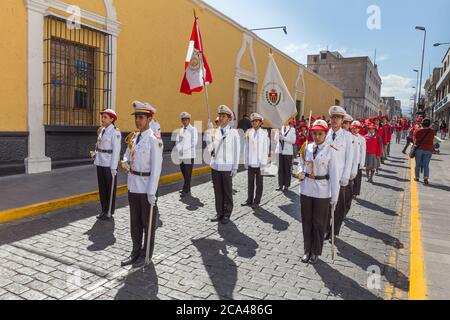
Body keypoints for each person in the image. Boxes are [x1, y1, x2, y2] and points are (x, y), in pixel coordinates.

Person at [120, 101, 163, 267]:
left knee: (147, 223)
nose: (138, 120)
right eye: (136, 117)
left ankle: (146, 254)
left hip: (146, 187)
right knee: (135, 223)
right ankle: (135, 252)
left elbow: (157, 168)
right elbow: (126, 155)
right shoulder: (133, 137)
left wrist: (152, 192)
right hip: (133, 185)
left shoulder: (154, 140)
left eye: (141, 117)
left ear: (149, 118)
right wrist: (124, 161)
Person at [297, 119, 340, 265]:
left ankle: (315, 251)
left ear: (325, 133)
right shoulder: (307, 147)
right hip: (306, 189)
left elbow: (334, 175)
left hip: (322, 191)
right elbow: (301, 163)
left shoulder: (331, 150)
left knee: (318, 223)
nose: (317, 136)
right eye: (314, 133)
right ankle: (306, 249)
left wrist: (335, 196)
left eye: (320, 133)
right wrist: (300, 172)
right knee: (306, 221)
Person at [324, 106, 354, 242]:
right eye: (333, 117)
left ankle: (334, 231)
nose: (335, 120)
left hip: (340, 177)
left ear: (342, 120)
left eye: (338, 118)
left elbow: (349, 158)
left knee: (339, 207)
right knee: (325, 205)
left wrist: (346, 176)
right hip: (325, 177)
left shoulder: (347, 136)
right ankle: (325, 229)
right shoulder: (325, 134)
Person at [207, 105, 241, 224]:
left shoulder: (233, 133)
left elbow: (237, 151)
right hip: (216, 165)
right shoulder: (215, 132)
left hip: (227, 167)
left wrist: (235, 167)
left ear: (228, 118)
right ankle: (219, 212)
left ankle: (227, 213)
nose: (221, 118)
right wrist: (208, 135)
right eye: (220, 116)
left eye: (223, 116)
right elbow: (210, 149)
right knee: (218, 191)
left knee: (227, 191)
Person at [93, 109, 122, 221]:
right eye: (102, 117)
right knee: (102, 188)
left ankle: (109, 211)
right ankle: (103, 210)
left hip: (109, 163)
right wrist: (95, 153)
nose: (103, 119)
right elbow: (99, 144)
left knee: (109, 188)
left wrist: (114, 167)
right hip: (100, 162)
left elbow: (116, 150)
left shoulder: (115, 132)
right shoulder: (102, 130)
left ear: (112, 119)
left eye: (105, 117)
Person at [242, 113, 270, 210]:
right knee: (250, 182)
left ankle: (256, 201)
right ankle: (249, 199)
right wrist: (246, 160)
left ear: (260, 122)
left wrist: (264, 163)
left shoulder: (264, 133)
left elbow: (265, 149)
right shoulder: (249, 132)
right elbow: (246, 148)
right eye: (253, 121)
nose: (254, 123)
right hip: (251, 162)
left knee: (259, 183)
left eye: (256, 121)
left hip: (259, 163)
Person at [175, 112, 198, 198]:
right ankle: (186, 187)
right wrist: (178, 148)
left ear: (189, 120)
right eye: (183, 120)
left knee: (188, 173)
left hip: (189, 155)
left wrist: (183, 149)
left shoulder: (193, 130)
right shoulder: (181, 130)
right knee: (184, 172)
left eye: (186, 120)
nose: (184, 121)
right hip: (181, 155)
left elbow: (194, 142)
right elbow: (177, 141)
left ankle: (186, 190)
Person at [342, 114, 358, 216]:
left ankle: (344, 212)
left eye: (347, 123)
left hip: (348, 170)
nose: (345, 125)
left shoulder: (353, 138)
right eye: (344, 123)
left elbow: (355, 157)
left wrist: (353, 170)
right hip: (337, 170)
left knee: (347, 194)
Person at [275, 120, 297, 192]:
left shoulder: (292, 129)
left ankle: (286, 185)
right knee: (280, 169)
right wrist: (278, 136)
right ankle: (280, 185)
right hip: (280, 151)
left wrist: (284, 138)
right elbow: (275, 139)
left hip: (288, 152)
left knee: (287, 169)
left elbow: (293, 141)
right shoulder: (279, 128)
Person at [414, 118, 435, 185]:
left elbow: (415, 141)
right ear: (429, 124)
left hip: (419, 149)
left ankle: (417, 177)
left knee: (417, 164)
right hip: (428, 149)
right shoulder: (432, 131)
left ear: (422, 124)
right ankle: (425, 178)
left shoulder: (417, 130)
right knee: (426, 164)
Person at [350, 121, 366, 199]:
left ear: (359, 129)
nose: (354, 130)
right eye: (353, 128)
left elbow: (363, 152)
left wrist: (362, 163)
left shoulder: (362, 139)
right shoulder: (348, 136)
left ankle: (355, 192)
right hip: (349, 161)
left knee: (357, 178)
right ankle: (348, 191)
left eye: (356, 128)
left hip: (358, 162)